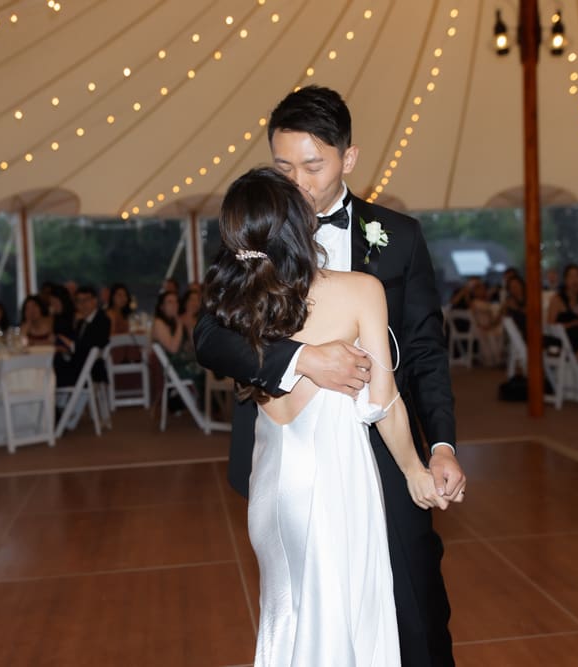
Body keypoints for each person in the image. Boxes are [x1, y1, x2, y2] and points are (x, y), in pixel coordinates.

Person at [194, 86, 463, 667]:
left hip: (384, 447)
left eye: (313, 165)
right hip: (291, 454)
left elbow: (424, 353)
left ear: (348, 157)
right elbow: (209, 338)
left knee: (415, 605)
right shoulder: (249, 237)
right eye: (283, 166)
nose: (299, 181)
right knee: (304, 611)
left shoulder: (399, 237)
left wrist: (438, 446)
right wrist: (302, 359)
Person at [54, 286, 110, 387]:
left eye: (86, 300)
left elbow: (92, 346)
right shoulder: (82, 322)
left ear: (95, 301)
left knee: (54, 370)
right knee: (56, 360)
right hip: (81, 366)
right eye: (79, 301)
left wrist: (69, 343)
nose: (82, 305)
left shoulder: (102, 320)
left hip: (91, 370)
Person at [152, 290, 202, 392]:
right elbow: (173, 349)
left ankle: (213, 404)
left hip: (186, 363)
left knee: (213, 367)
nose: (175, 305)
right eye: (170, 302)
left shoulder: (175, 322)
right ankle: (207, 404)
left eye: (176, 301)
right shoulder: (159, 323)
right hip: (174, 369)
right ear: (162, 307)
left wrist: (187, 327)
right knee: (206, 371)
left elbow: (192, 346)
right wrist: (179, 323)